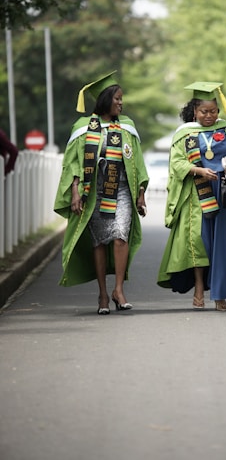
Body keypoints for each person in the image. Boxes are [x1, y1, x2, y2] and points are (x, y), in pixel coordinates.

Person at [157, 81, 226, 311]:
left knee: (222, 245)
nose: (209, 116)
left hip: (225, 193)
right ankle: (198, 286)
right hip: (198, 194)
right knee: (200, 242)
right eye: (204, 111)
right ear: (195, 111)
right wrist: (199, 170)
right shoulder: (185, 134)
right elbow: (177, 162)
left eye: (213, 111)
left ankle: (220, 295)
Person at [54, 71, 149, 315]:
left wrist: (141, 193)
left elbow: (136, 160)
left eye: (122, 99)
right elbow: (74, 162)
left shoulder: (127, 126)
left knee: (121, 236)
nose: (121, 102)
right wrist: (75, 192)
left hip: (123, 190)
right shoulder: (83, 127)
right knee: (98, 242)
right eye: (117, 98)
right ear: (106, 99)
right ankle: (103, 294)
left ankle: (118, 290)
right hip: (94, 191)